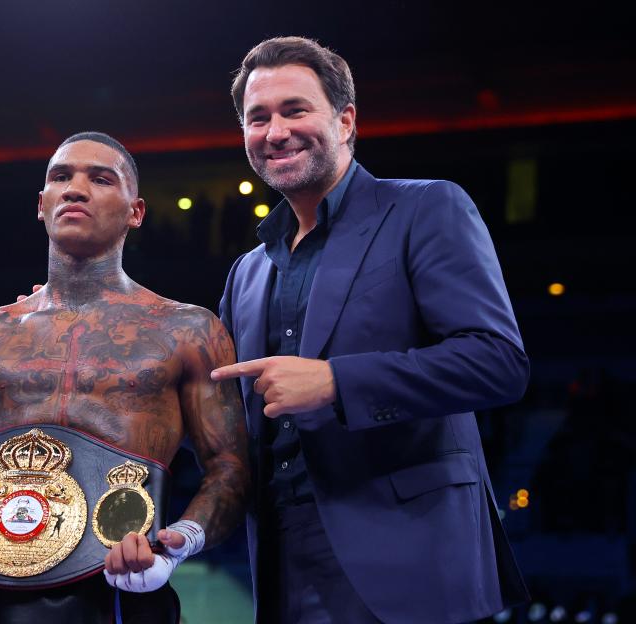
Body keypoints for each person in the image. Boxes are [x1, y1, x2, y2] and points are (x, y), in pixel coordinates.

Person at [208, 37, 530, 623]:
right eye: (258, 118)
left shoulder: (425, 208)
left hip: (412, 564)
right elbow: (225, 420)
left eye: (294, 110)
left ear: (346, 120)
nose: (275, 130)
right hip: (281, 567)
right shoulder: (246, 272)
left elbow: (497, 362)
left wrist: (336, 381)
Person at [0, 131, 249, 623]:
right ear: (41, 205)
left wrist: (179, 541)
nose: (75, 188)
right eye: (60, 177)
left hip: (118, 581)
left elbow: (231, 467)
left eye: (100, 178)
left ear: (136, 212)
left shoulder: (187, 331)